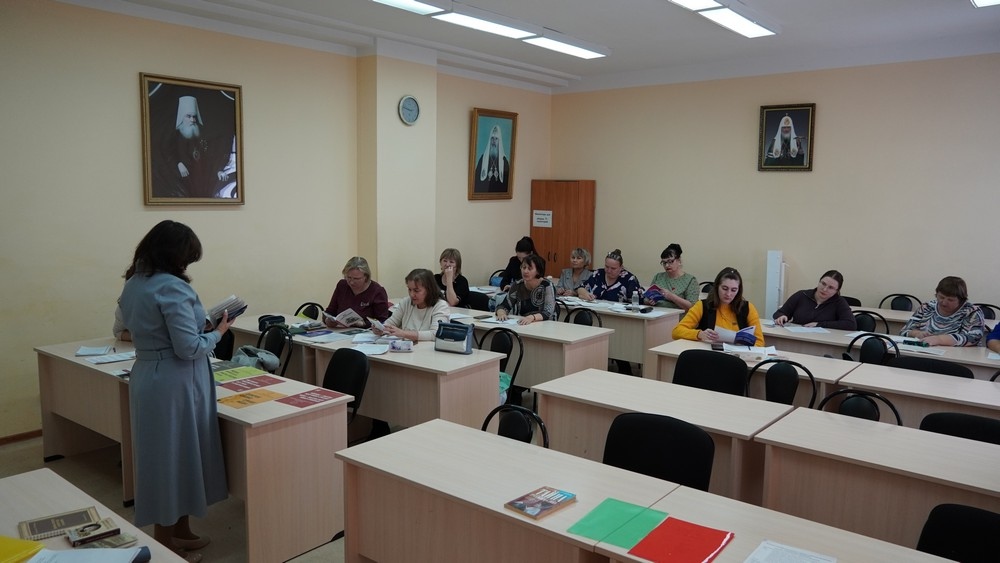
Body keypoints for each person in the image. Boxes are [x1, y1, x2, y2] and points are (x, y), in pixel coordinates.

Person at [117, 220, 230, 562]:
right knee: (171, 460)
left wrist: (200, 327)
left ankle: (181, 529)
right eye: (186, 257)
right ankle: (165, 542)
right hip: (175, 381)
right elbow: (188, 347)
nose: (186, 264)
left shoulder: (134, 283)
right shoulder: (173, 288)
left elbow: (144, 330)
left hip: (149, 375)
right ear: (173, 255)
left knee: (175, 456)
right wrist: (218, 332)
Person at [154, 95, 235, 198]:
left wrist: (218, 170)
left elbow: (210, 158)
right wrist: (178, 164)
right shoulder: (174, 136)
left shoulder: (200, 136)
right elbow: (168, 154)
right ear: (182, 117)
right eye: (188, 116)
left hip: (202, 181)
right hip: (180, 182)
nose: (192, 120)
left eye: (194, 117)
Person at [672, 267, 765, 346]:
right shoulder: (702, 306)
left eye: (733, 290)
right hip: (710, 355)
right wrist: (699, 334)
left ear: (739, 291)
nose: (728, 294)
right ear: (717, 287)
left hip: (737, 356)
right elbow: (676, 332)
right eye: (724, 288)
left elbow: (760, 342)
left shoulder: (748, 308)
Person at [899, 276, 985, 346]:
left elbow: (973, 338)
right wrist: (916, 333)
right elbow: (904, 331)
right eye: (941, 297)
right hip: (924, 352)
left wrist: (939, 339)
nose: (944, 303)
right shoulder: (927, 307)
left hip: (956, 357)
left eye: (950, 300)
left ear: (961, 300)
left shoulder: (972, 312)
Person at [375, 268, 450, 341]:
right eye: (409, 289)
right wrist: (381, 329)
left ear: (429, 290)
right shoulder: (406, 302)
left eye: (416, 291)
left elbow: (435, 334)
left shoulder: (440, 306)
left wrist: (403, 333)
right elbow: (391, 323)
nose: (411, 294)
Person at [773, 270, 857, 330]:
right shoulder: (802, 295)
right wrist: (781, 316)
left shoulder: (839, 302)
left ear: (837, 291)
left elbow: (851, 324)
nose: (824, 289)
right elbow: (779, 313)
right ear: (819, 282)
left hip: (823, 341)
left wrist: (819, 324)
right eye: (823, 284)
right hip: (796, 336)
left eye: (830, 287)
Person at [323, 257, 390, 329]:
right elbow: (329, 312)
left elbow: (382, 321)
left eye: (356, 279)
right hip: (341, 331)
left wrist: (363, 324)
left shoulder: (377, 291)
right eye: (348, 277)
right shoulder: (342, 285)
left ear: (366, 277)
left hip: (366, 332)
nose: (351, 282)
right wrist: (327, 320)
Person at [495, 255, 556, 325]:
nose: (525, 271)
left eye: (530, 269)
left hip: (545, 325)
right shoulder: (517, 285)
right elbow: (504, 305)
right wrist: (501, 313)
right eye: (523, 268)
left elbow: (548, 312)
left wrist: (532, 317)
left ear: (538, 271)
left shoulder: (547, 285)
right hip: (523, 324)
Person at [645, 244, 698, 311]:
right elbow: (646, 299)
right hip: (656, 313)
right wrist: (649, 301)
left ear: (679, 261)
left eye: (670, 261)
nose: (667, 265)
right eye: (664, 263)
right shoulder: (658, 277)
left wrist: (672, 297)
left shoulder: (690, 280)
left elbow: (692, 307)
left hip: (677, 315)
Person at [473, 124, 510, 193]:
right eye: (492, 138)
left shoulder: (504, 161)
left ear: (499, 142)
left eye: (496, 139)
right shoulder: (483, 158)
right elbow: (476, 181)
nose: (494, 141)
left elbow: (508, 185)